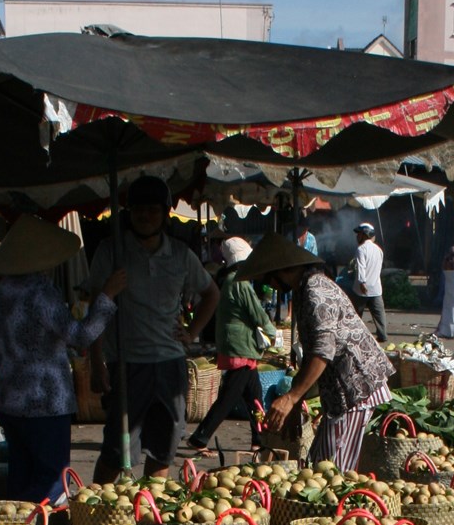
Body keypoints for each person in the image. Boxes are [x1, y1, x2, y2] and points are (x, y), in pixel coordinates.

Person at [85, 174, 219, 479]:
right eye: (138, 209)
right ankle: (95, 506)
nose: (145, 216)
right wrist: (96, 363)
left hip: (170, 364)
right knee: (117, 452)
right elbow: (96, 309)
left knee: (163, 450)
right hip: (126, 364)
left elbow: (212, 294)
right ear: (129, 212)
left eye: (153, 210)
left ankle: (151, 506)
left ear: (165, 213)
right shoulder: (111, 251)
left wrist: (192, 333)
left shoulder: (181, 254)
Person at [0, 216, 126, 502]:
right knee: (51, 482)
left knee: (20, 477)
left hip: (9, 397)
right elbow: (80, 336)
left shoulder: (0, 293)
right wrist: (107, 296)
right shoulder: (41, 293)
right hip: (44, 400)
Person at [247, 233, 393, 470]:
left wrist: (291, 398)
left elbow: (322, 352)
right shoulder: (303, 290)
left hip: (355, 387)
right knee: (319, 462)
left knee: (331, 469)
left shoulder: (316, 291)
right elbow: (311, 352)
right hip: (340, 393)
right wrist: (296, 400)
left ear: (281, 271)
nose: (270, 286)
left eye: (268, 280)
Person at [187, 236, 277, 453]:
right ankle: (200, 437)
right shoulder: (239, 282)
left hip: (236, 344)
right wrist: (273, 333)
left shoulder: (228, 279)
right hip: (240, 346)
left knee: (254, 396)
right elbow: (256, 312)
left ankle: (259, 439)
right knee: (228, 397)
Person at [346, 221, 387, 340]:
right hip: (376, 288)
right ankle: (382, 335)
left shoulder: (361, 249)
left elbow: (361, 267)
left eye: (359, 234)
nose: (357, 237)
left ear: (365, 234)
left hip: (361, 289)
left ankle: (354, 335)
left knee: (356, 314)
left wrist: (362, 282)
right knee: (379, 315)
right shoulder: (379, 250)